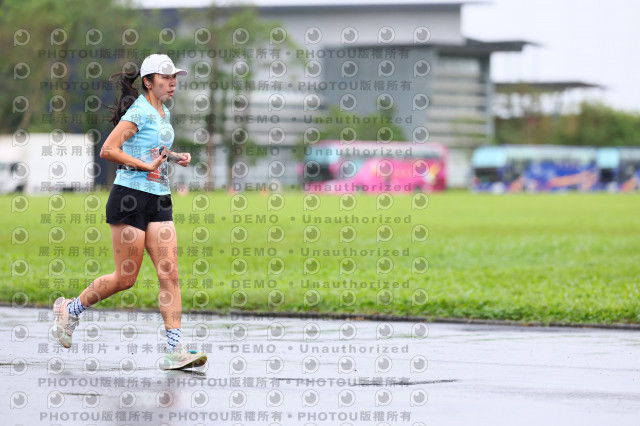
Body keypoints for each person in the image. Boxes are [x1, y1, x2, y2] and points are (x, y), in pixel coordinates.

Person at [52, 54, 207, 370]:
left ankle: (175, 349)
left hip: (159, 198)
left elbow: (150, 149)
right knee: (125, 278)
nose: (172, 82)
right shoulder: (138, 111)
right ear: (148, 81)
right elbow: (108, 149)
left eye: (174, 77)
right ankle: (71, 309)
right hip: (130, 199)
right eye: (165, 77)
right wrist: (144, 166)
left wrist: (174, 157)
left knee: (170, 273)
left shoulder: (163, 111)